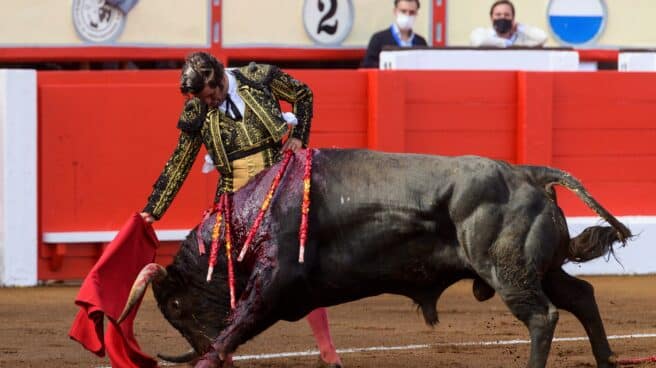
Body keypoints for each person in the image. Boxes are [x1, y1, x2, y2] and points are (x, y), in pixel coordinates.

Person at [140, 52, 342, 368]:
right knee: (223, 276)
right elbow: (180, 160)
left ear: (219, 79)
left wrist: (300, 137)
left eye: (209, 95)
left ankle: (328, 350)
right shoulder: (197, 109)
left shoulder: (257, 77)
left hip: (276, 187)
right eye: (202, 98)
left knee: (300, 267)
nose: (207, 103)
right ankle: (223, 352)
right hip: (233, 197)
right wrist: (154, 208)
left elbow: (303, 94)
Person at [361, 0, 428, 68]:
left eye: (412, 12)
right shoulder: (378, 39)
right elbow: (367, 67)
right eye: (403, 11)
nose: (407, 15)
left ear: (416, 14)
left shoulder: (421, 42)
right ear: (395, 11)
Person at [470, 0, 547, 48]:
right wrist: (508, 44)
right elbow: (479, 41)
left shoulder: (521, 38)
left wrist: (520, 27)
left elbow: (542, 38)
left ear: (513, 18)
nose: (502, 17)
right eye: (498, 15)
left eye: (507, 15)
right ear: (491, 17)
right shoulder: (482, 33)